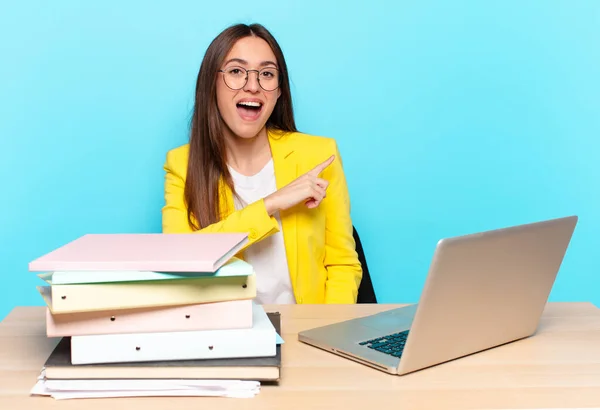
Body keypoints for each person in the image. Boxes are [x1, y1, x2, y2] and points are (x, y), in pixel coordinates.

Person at [161, 23, 362, 304]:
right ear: (211, 85)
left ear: (279, 90)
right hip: (225, 336)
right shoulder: (181, 164)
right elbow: (181, 260)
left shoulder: (318, 155)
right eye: (236, 72)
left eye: (267, 74)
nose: (253, 86)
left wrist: (324, 334)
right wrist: (270, 204)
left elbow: (342, 266)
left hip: (307, 332)